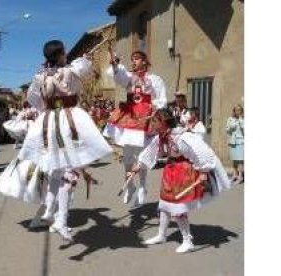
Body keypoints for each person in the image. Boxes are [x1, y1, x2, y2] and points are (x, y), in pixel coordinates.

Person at [0, 40, 113, 242]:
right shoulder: (69, 71)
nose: (66, 54)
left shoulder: (39, 76)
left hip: (48, 121)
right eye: (64, 52)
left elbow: (35, 100)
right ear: (60, 55)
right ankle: (61, 220)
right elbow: (82, 76)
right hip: (68, 120)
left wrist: (50, 101)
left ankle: (50, 211)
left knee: (56, 172)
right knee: (69, 172)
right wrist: (85, 60)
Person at [128, 108, 230, 253]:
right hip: (170, 171)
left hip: (183, 172)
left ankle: (187, 241)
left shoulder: (181, 137)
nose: (152, 123)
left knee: (178, 208)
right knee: (164, 205)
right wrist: (139, 165)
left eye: (155, 121)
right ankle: (161, 235)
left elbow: (201, 151)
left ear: (163, 123)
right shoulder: (161, 136)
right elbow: (150, 152)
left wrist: (204, 171)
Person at [103, 50, 167, 206]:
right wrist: (115, 64)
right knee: (127, 158)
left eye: (137, 59)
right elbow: (119, 76)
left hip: (145, 120)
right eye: (132, 59)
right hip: (130, 117)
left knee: (141, 157)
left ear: (144, 61)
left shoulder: (154, 79)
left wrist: (154, 108)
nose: (133, 62)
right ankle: (130, 186)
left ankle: (142, 187)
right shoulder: (129, 77)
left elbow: (162, 98)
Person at [226, 104, 244, 184]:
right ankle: (235, 174)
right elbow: (227, 129)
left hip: (240, 141)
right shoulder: (230, 119)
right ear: (234, 111)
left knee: (240, 160)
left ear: (241, 111)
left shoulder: (243, 119)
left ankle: (240, 176)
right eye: (236, 110)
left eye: (239, 110)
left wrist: (240, 120)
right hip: (232, 141)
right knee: (234, 159)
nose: (238, 112)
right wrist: (230, 127)